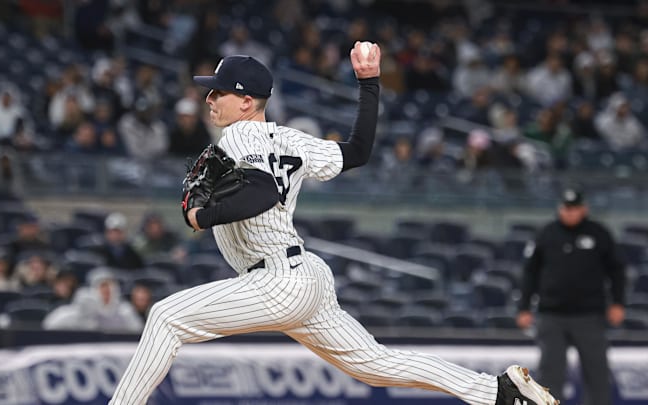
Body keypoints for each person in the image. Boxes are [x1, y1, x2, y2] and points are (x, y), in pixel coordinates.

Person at [110, 47, 557, 405]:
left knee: (166, 317)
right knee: (375, 364)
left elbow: (262, 191)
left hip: (276, 282)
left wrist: (201, 215)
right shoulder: (292, 139)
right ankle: (498, 392)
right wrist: (369, 84)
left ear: (246, 101)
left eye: (218, 93)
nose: (208, 99)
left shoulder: (238, 136)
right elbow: (358, 150)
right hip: (305, 277)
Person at [517, 188, 625, 405]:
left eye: (574, 208)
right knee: (550, 373)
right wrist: (524, 307)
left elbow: (616, 270)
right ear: (560, 208)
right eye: (566, 208)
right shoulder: (546, 234)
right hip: (552, 315)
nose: (570, 213)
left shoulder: (598, 234)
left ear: (584, 209)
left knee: (597, 373)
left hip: (589, 315)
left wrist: (618, 303)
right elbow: (531, 272)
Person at [42, 268, 143, 331]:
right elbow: (49, 325)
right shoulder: (80, 310)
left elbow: (138, 333)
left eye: (110, 286)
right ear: (93, 289)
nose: (107, 290)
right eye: (102, 286)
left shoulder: (124, 311)